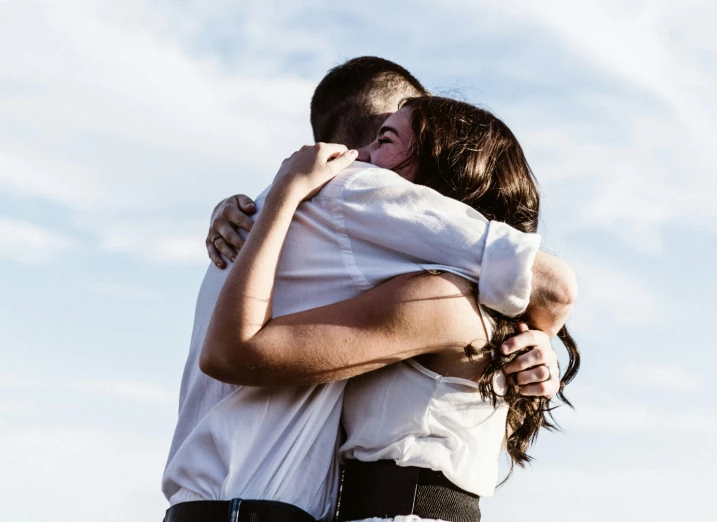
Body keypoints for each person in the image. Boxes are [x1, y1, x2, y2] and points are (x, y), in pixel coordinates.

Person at [162, 57, 577, 522]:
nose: (360, 163)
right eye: (382, 136)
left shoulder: (444, 300)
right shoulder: (354, 224)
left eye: (388, 142)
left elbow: (554, 288)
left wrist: (538, 336)